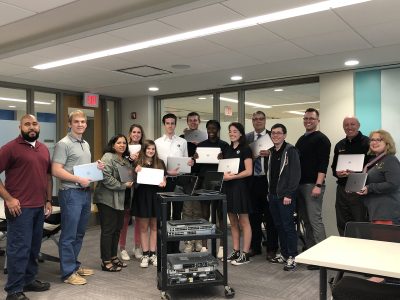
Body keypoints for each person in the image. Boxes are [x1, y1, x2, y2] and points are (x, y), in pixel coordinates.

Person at [0, 114, 52, 300]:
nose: (32, 127)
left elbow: (47, 176)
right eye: (27, 124)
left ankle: (29, 280)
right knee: (19, 248)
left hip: (39, 206)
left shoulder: (43, 149)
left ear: (39, 127)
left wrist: (48, 200)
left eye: (34, 124)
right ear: (20, 127)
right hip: (19, 208)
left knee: (33, 247)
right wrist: (8, 198)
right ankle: (13, 290)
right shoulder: (10, 148)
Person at [52, 110, 104, 285]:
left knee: (80, 233)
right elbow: (56, 170)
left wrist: (97, 167)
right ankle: (67, 273)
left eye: (83, 121)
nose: (80, 124)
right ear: (69, 124)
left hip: (84, 193)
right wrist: (78, 179)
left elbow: (81, 167)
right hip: (70, 193)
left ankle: (73, 265)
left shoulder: (85, 143)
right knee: (69, 234)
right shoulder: (63, 144)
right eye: (76, 122)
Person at [93, 134, 133, 272]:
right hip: (107, 199)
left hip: (120, 200)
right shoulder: (108, 157)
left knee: (117, 229)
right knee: (108, 230)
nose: (122, 145)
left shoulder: (125, 160)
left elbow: (129, 176)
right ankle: (105, 261)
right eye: (119, 143)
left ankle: (113, 256)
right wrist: (123, 185)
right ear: (113, 144)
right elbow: (105, 177)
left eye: (124, 143)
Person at [295, 108, 331, 263]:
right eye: (305, 118)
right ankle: (311, 252)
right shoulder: (302, 139)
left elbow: (323, 164)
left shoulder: (322, 139)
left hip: (312, 185)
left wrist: (318, 184)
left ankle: (322, 256)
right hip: (300, 185)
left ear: (318, 120)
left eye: (311, 118)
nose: (308, 121)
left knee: (315, 220)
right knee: (306, 220)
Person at [245, 111, 279, 260]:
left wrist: (270, 154)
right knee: (254, 216)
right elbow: (242, 158)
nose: (258, 121)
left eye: (261, 119)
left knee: (271, 216)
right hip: (252, 181)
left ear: (265, 120)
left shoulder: (274, 136)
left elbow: (282, 155)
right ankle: (255, 246)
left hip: (268, 180)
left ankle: (272, 248)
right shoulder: (246, 138)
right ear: (252, 121)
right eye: (255, 119)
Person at [155, 113, 190, 253]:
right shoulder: (157, 143)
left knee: (177, 215)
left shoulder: (182, 142)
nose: (170, 125)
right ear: (164, 125)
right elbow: (156, 164)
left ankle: (175, 247)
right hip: (164, 181)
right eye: (167, 123)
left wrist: (189, 163)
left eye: (172, 123)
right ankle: (163, 247)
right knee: (163, 215)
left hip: (179, 182)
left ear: (176, 124)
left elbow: (186, 162)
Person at [267, 124, 301, 271]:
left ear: (284, 135)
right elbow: (271, 175)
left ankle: (293, 256)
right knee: (279, 226)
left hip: (285, 196)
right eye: (273, 133)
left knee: (288, 227)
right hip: (273, 195)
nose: (275, 136)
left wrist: (289, 194)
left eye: (279, 133)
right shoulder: (271, 152)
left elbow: (295, 175)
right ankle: (285, 253)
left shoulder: (290, 151)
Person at [194, 120, 230, 257]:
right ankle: (204, 246)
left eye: (214, 128)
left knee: (220, 214)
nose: (211, 130)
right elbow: (196, 168)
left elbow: (228, 166)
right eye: (209, 128)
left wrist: (223, 158)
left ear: (218, 129)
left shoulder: (224, 146)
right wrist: (195, 159)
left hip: (220, 181)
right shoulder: (201, 145)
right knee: (204, 215)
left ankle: (221, 246)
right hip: (204, 182)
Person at [331, 116, 369, 236]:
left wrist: (356, 173)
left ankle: (363, 250)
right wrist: (337, 173)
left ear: (358, 126)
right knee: (342, 222)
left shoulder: (367, 143)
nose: (349, 127)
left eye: (352, 124)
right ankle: (346, 249)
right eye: (346, 125)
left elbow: (372, 168)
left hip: (359, 190)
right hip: (342, 189)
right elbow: (334, 167)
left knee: (360, 222)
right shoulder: (339, 145)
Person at [222, 122, 253, 266]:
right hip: (228, 188)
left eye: (235, 131)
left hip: (240, 188)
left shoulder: (245, 149)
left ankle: (245, 253)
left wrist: (233, 177)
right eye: (230, 131)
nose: (232, 133)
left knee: (244, 222)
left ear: (241, 133)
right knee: (233, 222)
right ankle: (236, 250)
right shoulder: (227, 149)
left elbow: (249, 171)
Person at [132, 140, 166, 268]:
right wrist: (136, 172)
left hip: (155, 197)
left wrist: (164, 182)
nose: (151, 151)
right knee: (143, 227)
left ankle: (153, 254)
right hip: (142, 197)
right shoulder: (137, 163)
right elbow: (133, 182)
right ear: (144, 150)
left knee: (154, 226)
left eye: (153, 149)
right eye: (148, 149)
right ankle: (145, 254)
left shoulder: (160, 163)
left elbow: (164, 180)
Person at [357, 130, 400, 225]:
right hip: (375, 211)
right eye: (372, 140)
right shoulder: (374, 161)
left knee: (385, 239)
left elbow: (393, 184)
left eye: (379, 140)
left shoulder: (390, 159)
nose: (374, 142)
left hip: (386, 212)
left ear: (387, 143)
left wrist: (369, 188)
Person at [119, 124, 144, 261]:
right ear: (130, 133)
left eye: (139, 132)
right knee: (125, 218)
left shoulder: (145, 149)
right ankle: (122, 248)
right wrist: (130, 159)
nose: (136, 134)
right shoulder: (124, 148)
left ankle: (137, 246)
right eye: (134, 132)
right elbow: (120, 164)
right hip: (127, 186)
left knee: (139, 219)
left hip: (140, 187)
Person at [180, 112, 205, 253]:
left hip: (200, 178)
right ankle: (188, 241)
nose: (193, 122)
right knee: (187, 210)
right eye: (191, 120)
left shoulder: (205, 138)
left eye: (196, 120)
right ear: (187, 122)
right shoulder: (182, 139)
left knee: (198, 211)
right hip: (187, 178)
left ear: (199, 121)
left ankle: (198, 241)